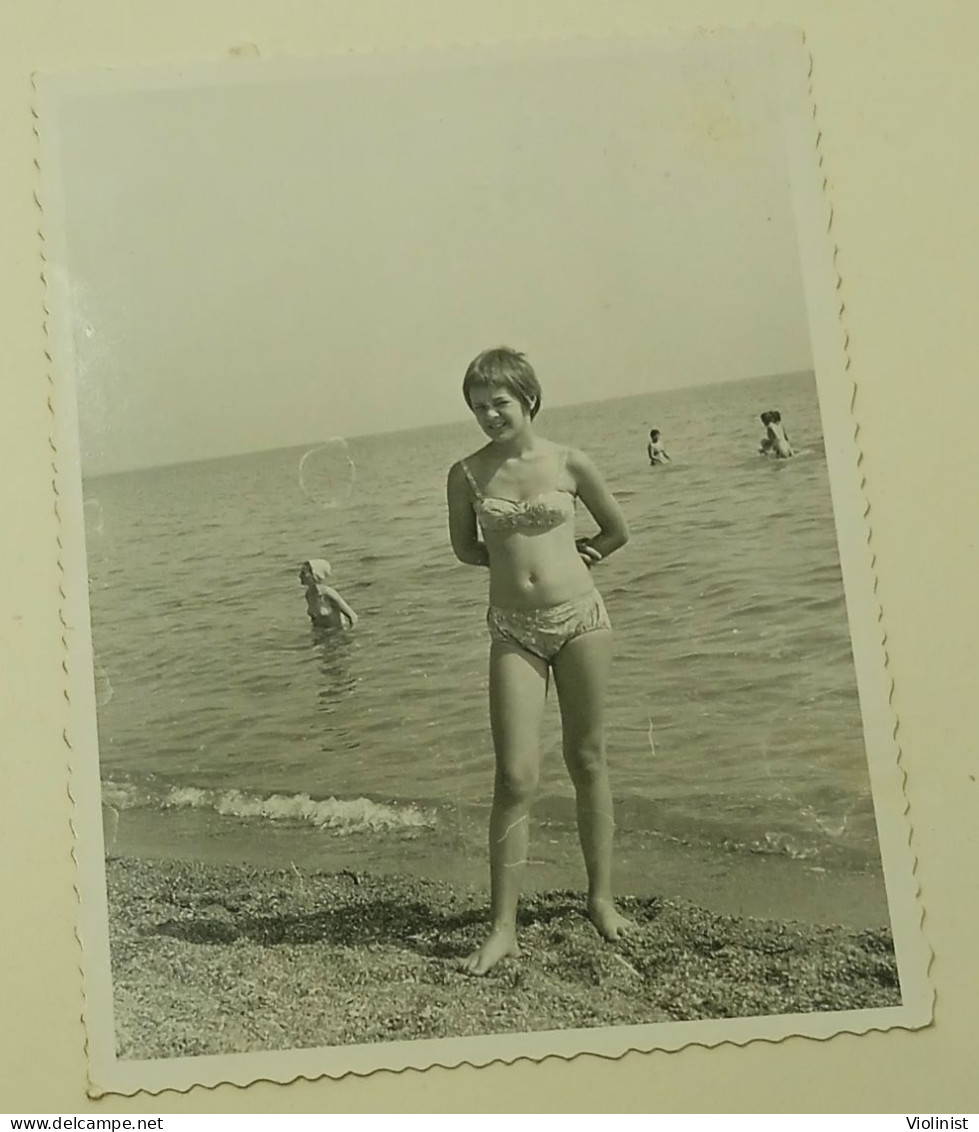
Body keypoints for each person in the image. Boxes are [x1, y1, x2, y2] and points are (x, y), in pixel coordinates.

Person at [446, 346, 632, 976]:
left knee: (587, 758)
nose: (488, 415)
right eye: (477, 406)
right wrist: (515, 568)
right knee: (515, 776)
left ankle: (600, 900)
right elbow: (466, 550)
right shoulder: (466, 474)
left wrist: (582, 558)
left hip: (581, 619)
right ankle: (503, 929)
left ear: (528, 397)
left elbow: (616, 531)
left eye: (498, 402)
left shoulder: (570, 461)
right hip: (513, 629)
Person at [298, 558, 358, 630]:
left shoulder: (327, 593)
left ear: (314, 575)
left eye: (303, 573)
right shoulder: (309, 594)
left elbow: (353, 616)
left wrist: (350, 634)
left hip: (337, 634)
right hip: (321, 636)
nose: (300, 576)